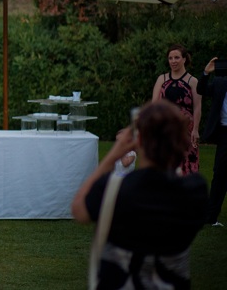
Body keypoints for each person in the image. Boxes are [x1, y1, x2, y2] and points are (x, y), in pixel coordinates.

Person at [71, 100, 208, 289]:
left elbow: (79, 210)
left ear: (139, 140)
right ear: (180, 141)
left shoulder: (114, 189)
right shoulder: (195, 191)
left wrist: (112, 155)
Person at [152, 43, 202, 175]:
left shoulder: (193, 81)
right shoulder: (162, 79)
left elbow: (197, 107)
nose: (173, 61)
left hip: (186, 133)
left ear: (184, 59)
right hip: (165, 130)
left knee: (187, 169)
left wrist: (196, 130)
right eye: (170, 58)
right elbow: (154, 106)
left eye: (177, 57)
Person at [197, 56, 227, 227]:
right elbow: (201, 89)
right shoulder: (220, 82)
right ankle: (211, 216)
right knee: (220, 173)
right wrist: (206, 72)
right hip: (224, 133)